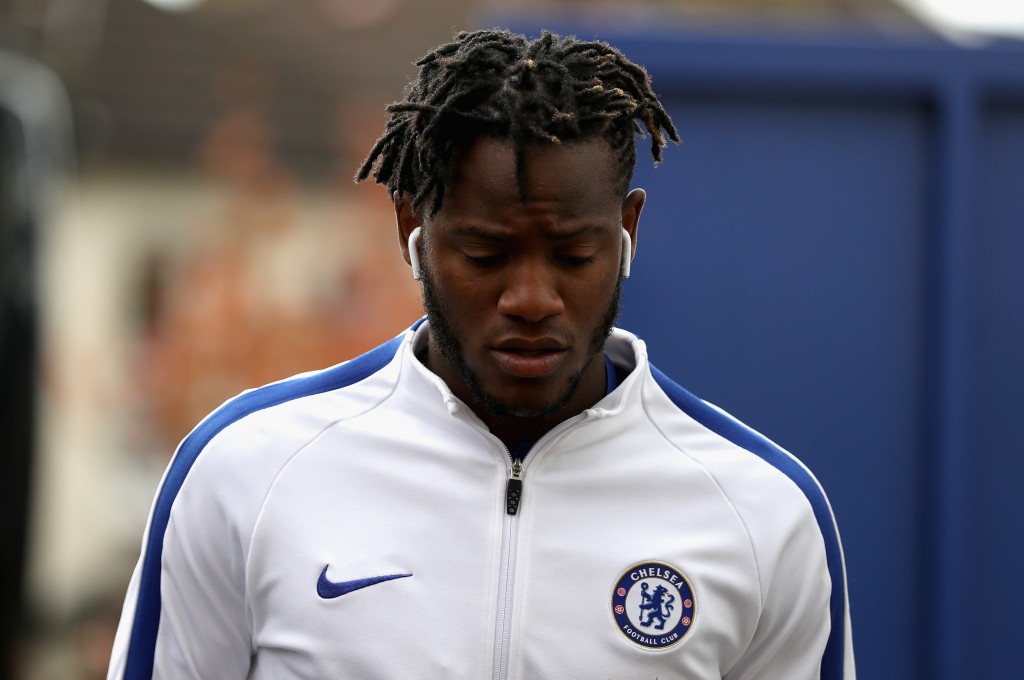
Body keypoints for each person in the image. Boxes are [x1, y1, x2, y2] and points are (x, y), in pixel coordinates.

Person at [107, 29, 855, 679]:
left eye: (572, 253)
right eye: (487, 251)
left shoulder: (762, 514)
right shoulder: (246, 474)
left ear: (628, 229)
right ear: (412, 223)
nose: (532, 297)